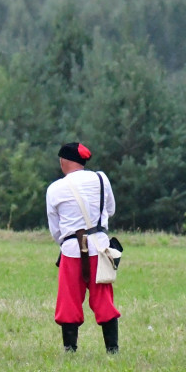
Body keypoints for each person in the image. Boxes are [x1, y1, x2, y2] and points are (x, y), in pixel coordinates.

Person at [46, 142, 121, 353]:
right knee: (104, 298)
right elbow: (111, 210)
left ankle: (70, 349)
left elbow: (55, 230)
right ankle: (112, 349)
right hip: (100, 246)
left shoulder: (55, 189)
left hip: (71, 250)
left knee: (68, 301)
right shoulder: (101, 178)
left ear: (63, 161)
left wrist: (68, 243)